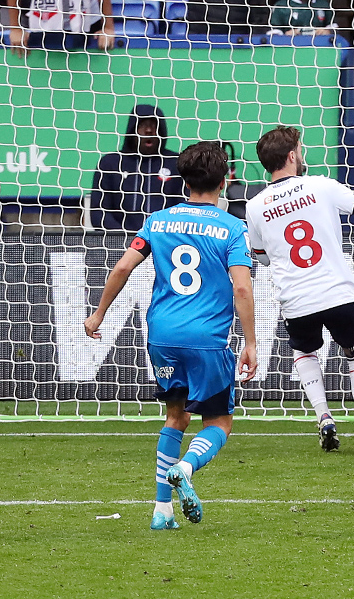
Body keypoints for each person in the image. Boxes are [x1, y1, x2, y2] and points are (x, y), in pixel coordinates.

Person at [83, 141, 260, 531]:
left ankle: (162, 512)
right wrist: (249, 342)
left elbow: (122, 268)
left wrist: (98, 314)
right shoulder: (232, 228)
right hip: (207, 337)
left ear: (183, 179)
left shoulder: (157, 222)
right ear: (225, 179)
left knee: (175, 417)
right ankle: (185, 467)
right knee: (218, 421)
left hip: (162, 335)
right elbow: (243, 289)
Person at [247, 126, 354, 454]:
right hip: (336, 292)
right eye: (299, 149)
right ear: (291, 156)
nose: (302, 154)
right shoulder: (320, 185)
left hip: (295, 299)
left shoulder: (255, 205)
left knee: (304, 351)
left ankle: (324, 417)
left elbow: (261, 258)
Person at [89, 104, 187, 232]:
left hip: (165, 242)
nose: (148, 130)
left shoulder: (177, 163)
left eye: (154, 125)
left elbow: (186, 209)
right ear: (132, 130)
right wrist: (126, 239)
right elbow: (98, 212)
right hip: (119, 244)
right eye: (142, 125)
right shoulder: (110, 164)